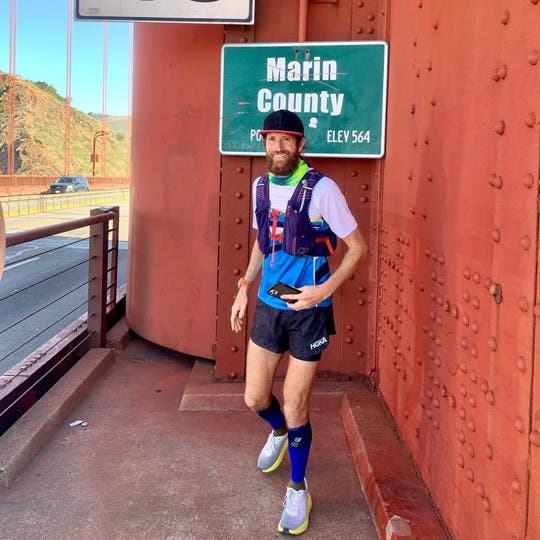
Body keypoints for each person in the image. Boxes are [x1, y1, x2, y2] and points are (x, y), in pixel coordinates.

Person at [230, 109, 367, 535]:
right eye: (272, 139)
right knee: (255, 398)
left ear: (301, 145)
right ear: (264, 143)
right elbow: (262, 244)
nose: (278, 147)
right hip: (270, 305)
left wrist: (324, 292)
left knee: (295, 405)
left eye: (287, 140)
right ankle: (276, 433)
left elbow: (357, 247)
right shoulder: (258, 186)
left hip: (309, 310)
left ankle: (297, 487)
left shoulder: (323, 189)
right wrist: (244, 285)